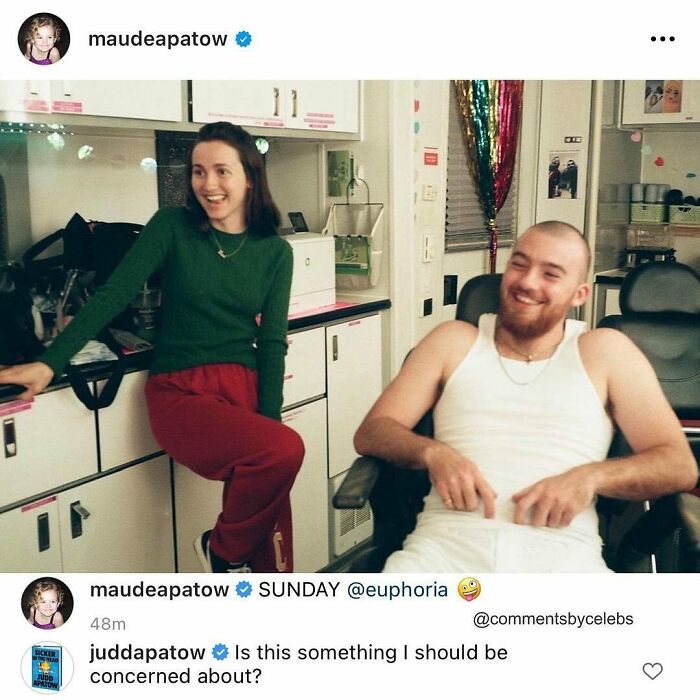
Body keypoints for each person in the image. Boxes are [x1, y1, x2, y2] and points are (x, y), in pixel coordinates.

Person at [0, 122, 304, 574]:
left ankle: (246, 587)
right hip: (180, 389)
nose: (208, 184)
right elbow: (114, 294)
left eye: (222, 171)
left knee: (273, 481)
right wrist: (50, 362)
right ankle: (222, 552)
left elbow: (273, 343)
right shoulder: (173, 226)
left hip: (243, 382)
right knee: (281, 454)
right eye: (198, 171)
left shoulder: (275, 252)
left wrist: (269, 421)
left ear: (250, 178)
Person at [354, 221, 697, 573]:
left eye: (551, 274)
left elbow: (679, 466)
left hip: (564, 560)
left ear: (579, 294)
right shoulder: (451, 342)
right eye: (519, 264)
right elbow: (373, 431)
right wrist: (432, 453)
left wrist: (590, 477)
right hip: (442, 553)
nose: (528, 282)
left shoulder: (606, 352)